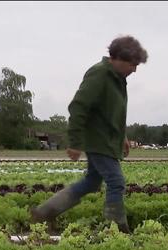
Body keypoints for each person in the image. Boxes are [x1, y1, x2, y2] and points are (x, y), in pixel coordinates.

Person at [31, 35, 148, 233]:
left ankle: (44, 212)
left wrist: (123, 137)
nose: (135, 69)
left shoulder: (117, 79)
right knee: (116, 182)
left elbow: (112, 112)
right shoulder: (99, 74)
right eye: (132, 64)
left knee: (92, 182)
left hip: (108, 140)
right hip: (98, 141)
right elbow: (78, 107)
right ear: (118, 58)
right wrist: (75, 142)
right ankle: (115, 230)